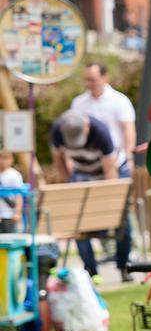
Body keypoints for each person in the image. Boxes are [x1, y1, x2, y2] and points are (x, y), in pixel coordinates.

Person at [49, 111, 128, 282]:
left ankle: (124, 267)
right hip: (81, 171)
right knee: (78, 223)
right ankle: (91, 272)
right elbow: (58, 159)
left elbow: (110, 172)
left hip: (109, 170)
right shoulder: (57, 130)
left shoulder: (100, 132)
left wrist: (110, 202)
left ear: (86, 127)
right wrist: (67, 184)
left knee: (122, 219)